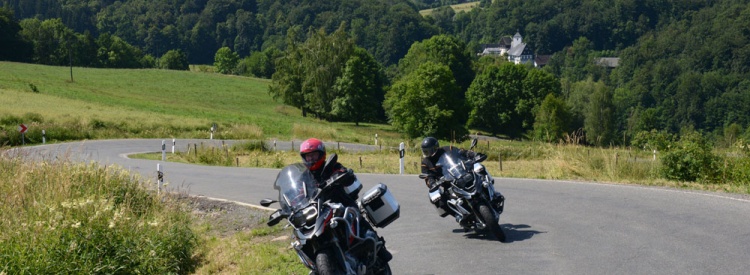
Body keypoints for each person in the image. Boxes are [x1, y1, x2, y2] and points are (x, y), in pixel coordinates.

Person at [299, 138, 392, 263]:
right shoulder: (304, 176)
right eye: (308, 156)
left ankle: (376, 244)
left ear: (321, 154)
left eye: (314, 155)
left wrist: (342, 175)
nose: (311, 159)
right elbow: (298, 192)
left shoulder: (331, 166)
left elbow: (345, 174)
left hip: (339, 202)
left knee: (355, 214)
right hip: (318, 209)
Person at [420, 137, 486, 222]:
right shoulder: (425, 163)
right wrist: (432, 183)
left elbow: (461, 152)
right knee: (437, 199)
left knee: (479, 169)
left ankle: (489, 188)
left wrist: (472, 155)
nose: (426, 153)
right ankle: (458, 216)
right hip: (446, 182)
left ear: (435, 148)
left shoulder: (448, 149)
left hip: (462, 173)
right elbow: (427, 176)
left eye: (428, 150)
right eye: (425, 151)